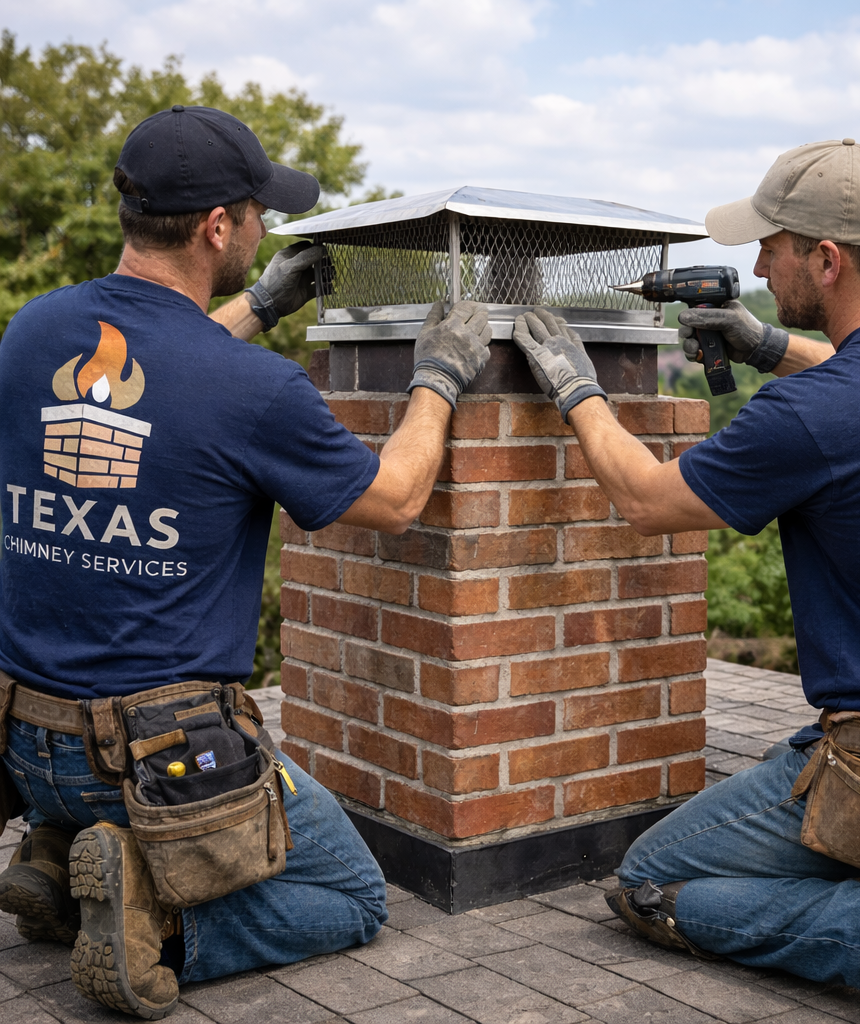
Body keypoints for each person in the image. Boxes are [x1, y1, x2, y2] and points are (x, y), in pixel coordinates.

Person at [511, 139, 860, 1024]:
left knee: (653, 880)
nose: (755, 264)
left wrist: (576, 388)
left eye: (771, 246)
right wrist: (767, 343)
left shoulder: (810, 417)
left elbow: (643, 500)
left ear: (825, 259)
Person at [0, 104, 492, 1019]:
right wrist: (439, 377)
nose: (267, 226)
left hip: (25, 743)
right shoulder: (258, 391)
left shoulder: (31, 336)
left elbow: (155, 378)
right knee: (352, 893)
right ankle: (153, 922)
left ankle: (55, 853)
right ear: (217, 226)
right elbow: (394, 499)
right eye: (258, 211)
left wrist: (261, 303)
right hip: (157, 758)